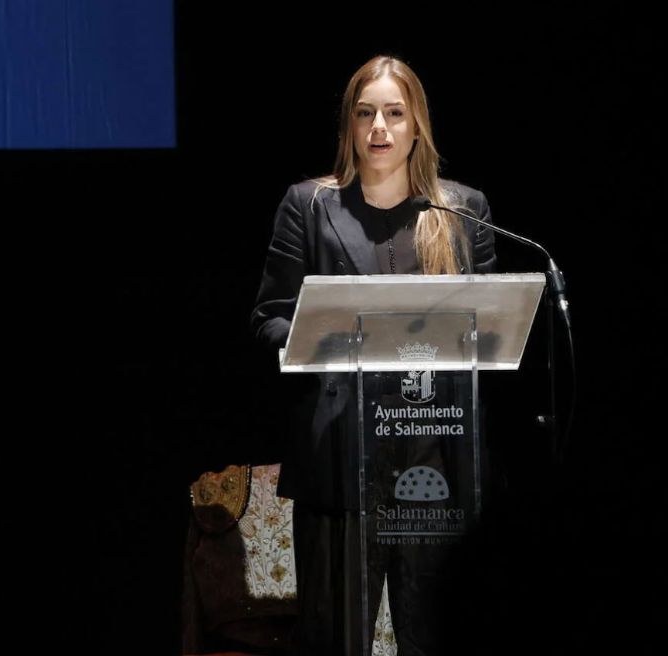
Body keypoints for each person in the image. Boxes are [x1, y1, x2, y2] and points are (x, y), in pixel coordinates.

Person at [251, 55, 496, 655]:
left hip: (437, 465)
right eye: (365, 114)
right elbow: (268, 319)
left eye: (394, 113)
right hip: (340, 466)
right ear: (349, 126)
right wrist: (323, 337)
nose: (379, 128)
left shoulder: (461, 213)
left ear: (417, 126)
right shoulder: (309, 207)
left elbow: (493, 330)